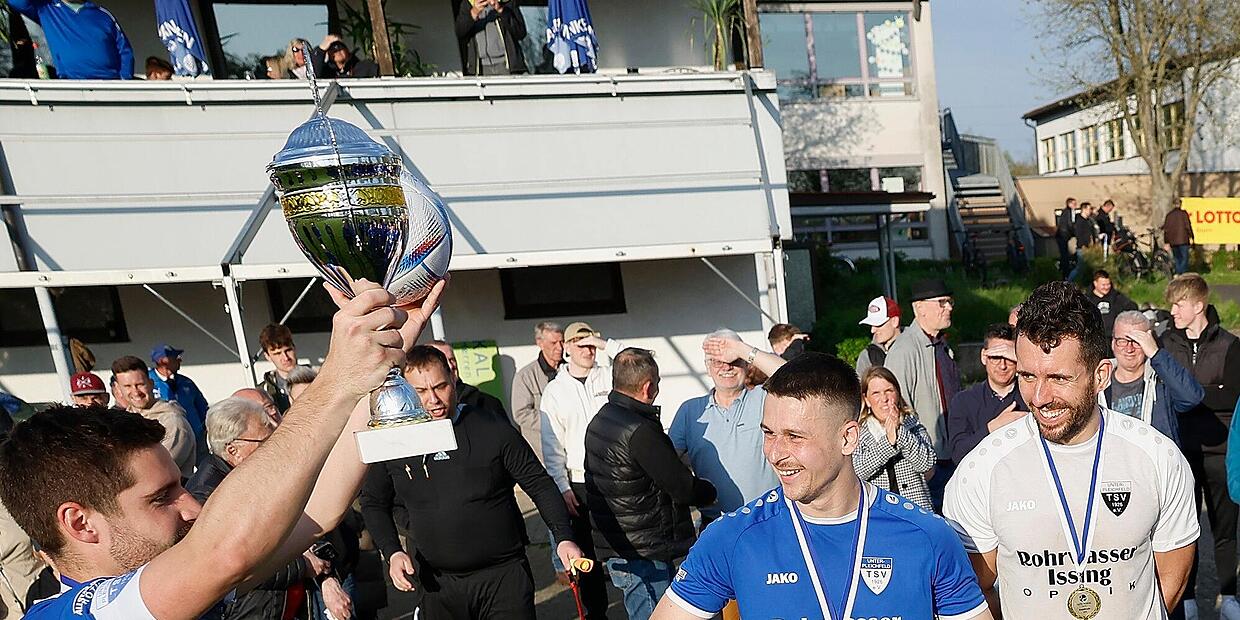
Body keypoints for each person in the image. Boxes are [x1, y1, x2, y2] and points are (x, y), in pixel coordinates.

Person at [5, 279, 444, 620]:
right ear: (80, 523)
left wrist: (377, 370)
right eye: (160, 497)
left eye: (178, 486)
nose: (192, 507)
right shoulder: (73, 613)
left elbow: (320, 509)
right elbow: (224, 552)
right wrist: (335, 380)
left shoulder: (180, 580)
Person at [651, 352, 990, 620]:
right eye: (769, 433)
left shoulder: (928, 536)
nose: (776, 453)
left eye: (795, 437)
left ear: (848, 437)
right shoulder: (733, 536)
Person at [944, 281, 1199, 619]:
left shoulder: (1159, 459)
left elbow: (1172, 576)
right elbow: (973, 591)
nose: (1039, 397)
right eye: (1028, 376)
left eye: (1059, 378)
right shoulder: (982, 469)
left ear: (1101, 375)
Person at [358, 345, 584, 620]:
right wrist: (392, 551)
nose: (433, 400)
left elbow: (539, 484)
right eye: (421, 391)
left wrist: (563, 538)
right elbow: (373, 502)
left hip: (503, 577)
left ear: (454, 379)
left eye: (440, 386)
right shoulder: (395, 441)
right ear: (406, 390)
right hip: (437, 584)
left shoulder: (491, 428)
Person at [584, 348, 718, 620]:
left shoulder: (602, 418)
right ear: (648, 387)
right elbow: (681, 487)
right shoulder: (640, 430)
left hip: (623, 544)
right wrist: (711, 492)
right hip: (646, 552)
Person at [185, 397, 315, 620]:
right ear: (233, 450)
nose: (275, 446)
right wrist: (300, 565)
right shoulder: (208, 497)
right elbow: (234, 566)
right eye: (265, 442)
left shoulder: (254, 475)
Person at [1161, 272, 1240, 618]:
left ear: (1198, 305)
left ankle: (1229, 596)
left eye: (1178, 304)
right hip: (1180, 450)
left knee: (1224, 531)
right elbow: (1166, 391)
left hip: (1220, 451)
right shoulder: (1166, 343)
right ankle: (1188, 597)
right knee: (1184, 529)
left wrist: (1188, 394)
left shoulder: (1230, 345)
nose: (1173, 311)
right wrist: (1210, 392)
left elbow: (1233, 396)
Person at [538, 321, 619, 616]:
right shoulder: (555, 391)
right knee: (588, 556)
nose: (588, 350)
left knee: (624, 546)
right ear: (567, 347)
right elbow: (552, 445)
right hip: (580, 482)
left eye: (591, 345)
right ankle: (597, 612)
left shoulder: (610, 377)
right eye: (581, 344)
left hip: (616, 476)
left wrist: (603, 344)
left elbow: (636, 358)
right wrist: (562, 486)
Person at [668, 330, 783, 522]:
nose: (727, 367)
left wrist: (740, 349)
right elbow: (667, 464)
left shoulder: (765, 399)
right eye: (717, 361)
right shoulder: (690, 411)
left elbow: (791, 374)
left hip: (769, 519)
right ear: (707, 367)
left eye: (734, 361)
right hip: (716, 525)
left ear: (747, 365)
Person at [885, 278, 960, 508]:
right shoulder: (904, 350)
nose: (949, 307)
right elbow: (893, 411)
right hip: (928, 465)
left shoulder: (941, 346)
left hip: (952, 457)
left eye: (950, 302)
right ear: (919, 308)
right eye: (942, 302)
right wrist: (923, 463)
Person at [1101, 310, 1201, 447]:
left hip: (1154, 464)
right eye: (1122, 341)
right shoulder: (1098, 380)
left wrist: (1155, 353)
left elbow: (1192, 398)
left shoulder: (1162, 379)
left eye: (1137, 342)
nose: (1129, 349)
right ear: (1113, 343)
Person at [852, 366, 935, 510]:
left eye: (888, 391)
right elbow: (856, 472)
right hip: (879, 514)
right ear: (867, 399)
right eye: (876, 393)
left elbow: (927, 463)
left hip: (916, 510)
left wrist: (899, 433)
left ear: (897, 393)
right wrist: (888, 443)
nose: (884, 399)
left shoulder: (912, 424)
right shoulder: (860, 432)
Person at [947, 324, 1026, 465]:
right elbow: (958, 454)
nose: (1003, 365)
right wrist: (992, 428)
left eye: (1009, 358)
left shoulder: (1031, 398)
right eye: (996, 357)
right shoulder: (963, 401)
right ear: (984, 357)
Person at [111, 355, 197, 479]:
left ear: (151, 384)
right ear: (118, 389)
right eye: (127, 386)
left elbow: (160, 470)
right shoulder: (121, 421)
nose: (135, 392)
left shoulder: (173, 422)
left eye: (140, 384)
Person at [7, 0, 133, 79]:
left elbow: (125, 51)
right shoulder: (47, 8)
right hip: (70, 87)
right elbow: (16, 1)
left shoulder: (103, 15)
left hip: (109, 86)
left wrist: (123, 81)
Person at [511, 321, 563, 457]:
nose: (560, 348)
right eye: (553, 343)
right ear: (540, 343)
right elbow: (521, 414)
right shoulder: (525, 376)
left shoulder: (570, 370)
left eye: (562, 342)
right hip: (542, 452)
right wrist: (556, 423)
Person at [148, 343, 209, 454]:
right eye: (175, 357)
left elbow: (202, 406)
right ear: (163, 360)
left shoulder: (186, 382)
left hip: (195, 434)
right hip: (167, 439)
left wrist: (204, 427)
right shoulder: (148, 382)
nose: (180, 360)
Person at [427, 340, 508, 421]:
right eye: (443, 361)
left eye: (452, 360)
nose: (451, 366)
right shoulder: (419, 407)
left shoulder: (486, 402)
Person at [456, 0, 528, 76]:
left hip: (507, 66)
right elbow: (460, 32)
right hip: (480, 68)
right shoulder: (467, 3)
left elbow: (521, 33)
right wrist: (473, 13)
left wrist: (501, 10)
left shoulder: (507, 2)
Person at [258, 323, 309, 415]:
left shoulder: (317, 378)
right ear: (267, 357)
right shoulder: (263, 392)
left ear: (294, 348)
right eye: (277, 354)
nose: (285, 358)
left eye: (288, 350)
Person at [856, 295, 901, 375]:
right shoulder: (867, 356)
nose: (872, 330)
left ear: (895, 321)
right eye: (871, 325)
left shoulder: (915, 347)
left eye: (878, 325)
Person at [1086, 269, 1137, 335]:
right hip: (1094, 336)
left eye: (1108, 284)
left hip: (1112, 336)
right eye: (1103, 285)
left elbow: (1131, 306)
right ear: (1095, 283)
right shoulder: (1088, 299)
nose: (1106, 287)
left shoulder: (1116, 297)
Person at [1163, 200, 1195, 275]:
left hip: (1173, 241)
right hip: (1183, 240)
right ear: (1180, 204)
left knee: (1177, 258)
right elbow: (1188, 226)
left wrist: (1166, 241)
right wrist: (1192, 237)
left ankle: (1178, 273)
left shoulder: (1169, 215)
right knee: (1184, 258)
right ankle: (1182, 273)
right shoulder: (1183, 214)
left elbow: (1166, 229)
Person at [1055, 197, 1078, 278]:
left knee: (1065, 254)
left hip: (1063, 236)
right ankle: (1065, 272)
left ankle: (1063, 268)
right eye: (1074, 204)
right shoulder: (1068, 212)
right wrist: (1076, 232)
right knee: (1064, 255)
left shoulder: (1068, 212)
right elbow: (1070, 224)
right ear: (1069, 204)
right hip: (1062, 236)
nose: (1076, 205)